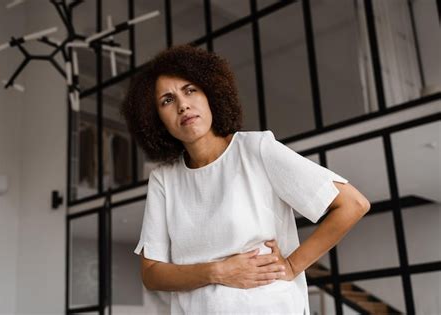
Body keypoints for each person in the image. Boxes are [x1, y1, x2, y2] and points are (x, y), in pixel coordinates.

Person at [120, 44, 371, 314]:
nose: (183, 105)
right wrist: (218, 271)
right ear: (156, 119)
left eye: (190, 90)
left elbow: (353, 204)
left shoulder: (256, 149)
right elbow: (152, 274)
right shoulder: (164, 180)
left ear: (210, 94)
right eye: (167, 100)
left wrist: (292, 266)